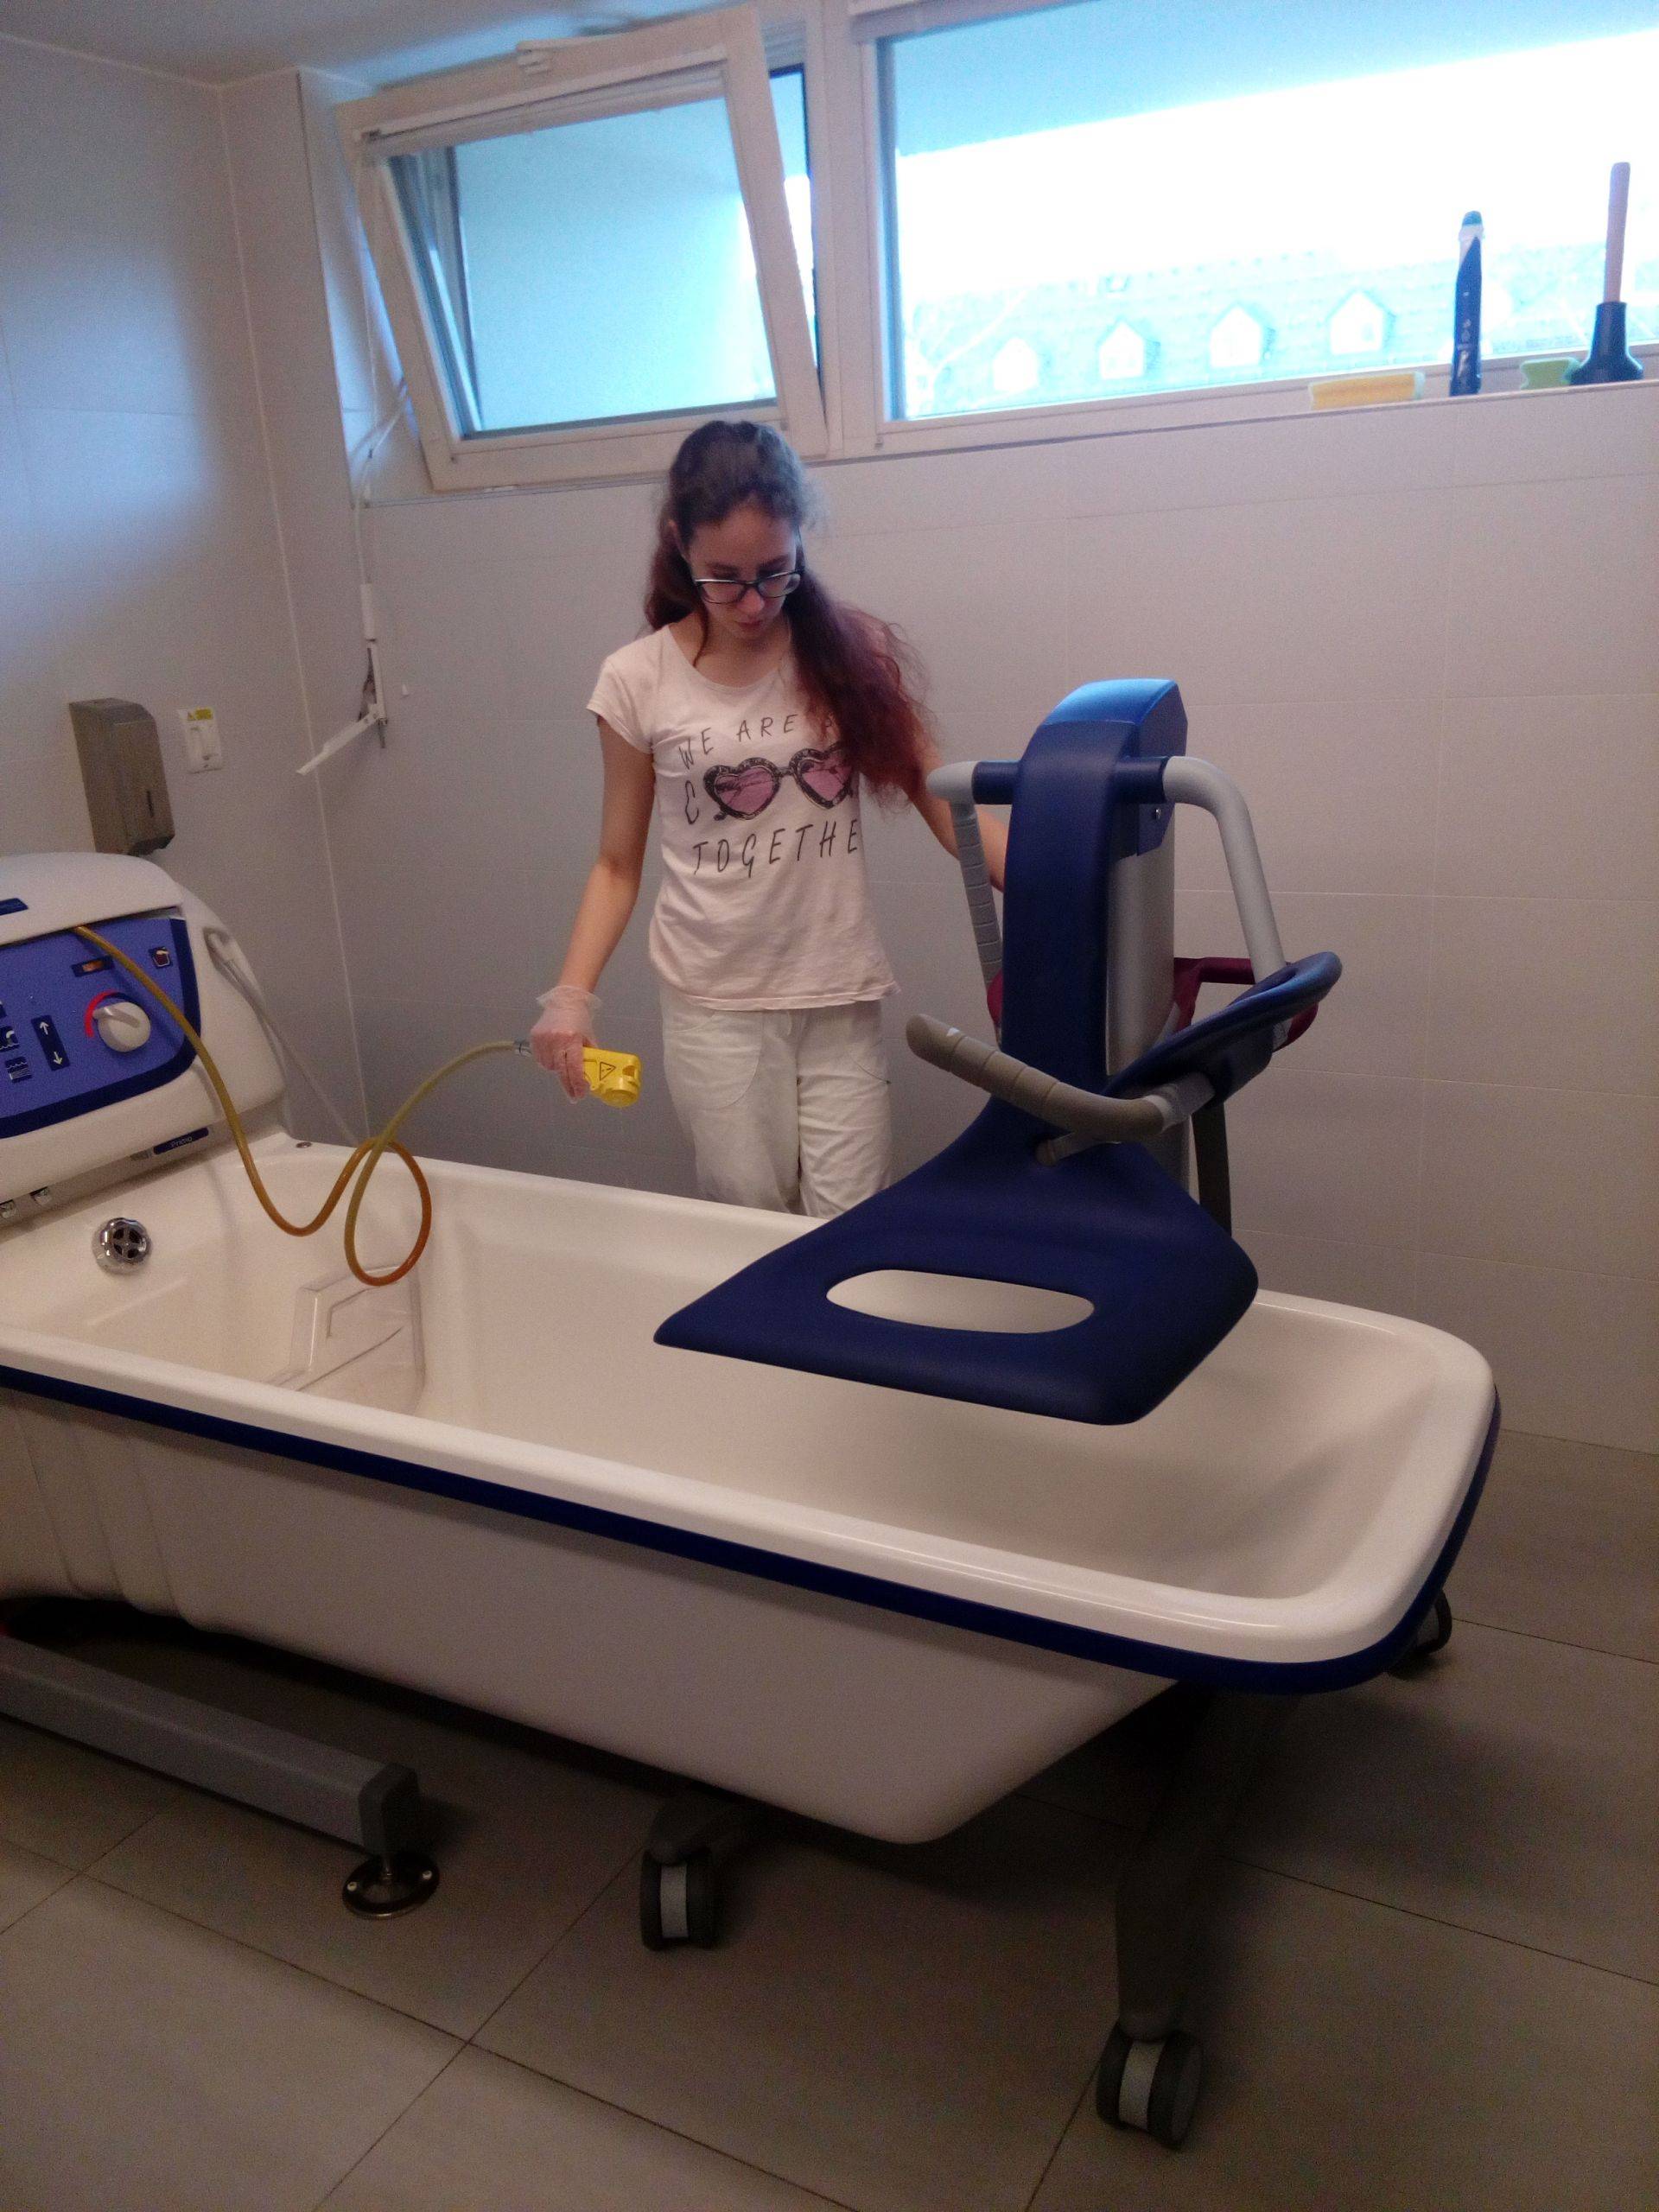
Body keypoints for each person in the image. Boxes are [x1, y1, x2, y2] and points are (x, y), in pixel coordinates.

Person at [529, 418, 1005, 1217]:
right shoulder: (636, 680)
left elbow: (938, 796)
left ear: (799, 546)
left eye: (774, 573)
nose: (752, 602)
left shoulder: (845, 655)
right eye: (724, 578)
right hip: (716, 1005)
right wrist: (572, 996)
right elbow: (616, 863)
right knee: (750, 1220)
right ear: (679, 545)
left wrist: (1048, 880)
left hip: (836, 989)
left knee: (850, 1223)